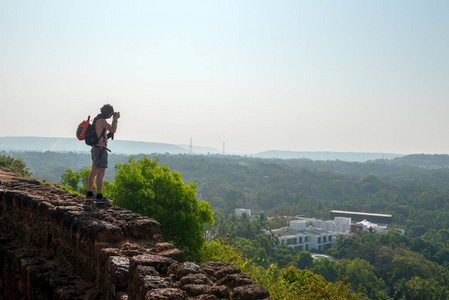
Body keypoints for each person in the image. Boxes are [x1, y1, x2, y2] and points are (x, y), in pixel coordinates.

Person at [86, 104, 120, 203]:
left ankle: (89, 194)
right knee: (101, 172)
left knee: (93, 172)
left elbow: (102, 135)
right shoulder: (102, 121)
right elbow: (113, 129)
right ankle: (99, 196)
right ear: (108, 113)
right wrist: (116, 119)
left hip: (95, 149)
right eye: (111, 113)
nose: (111, 115)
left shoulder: (98, 120)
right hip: (101, 150)